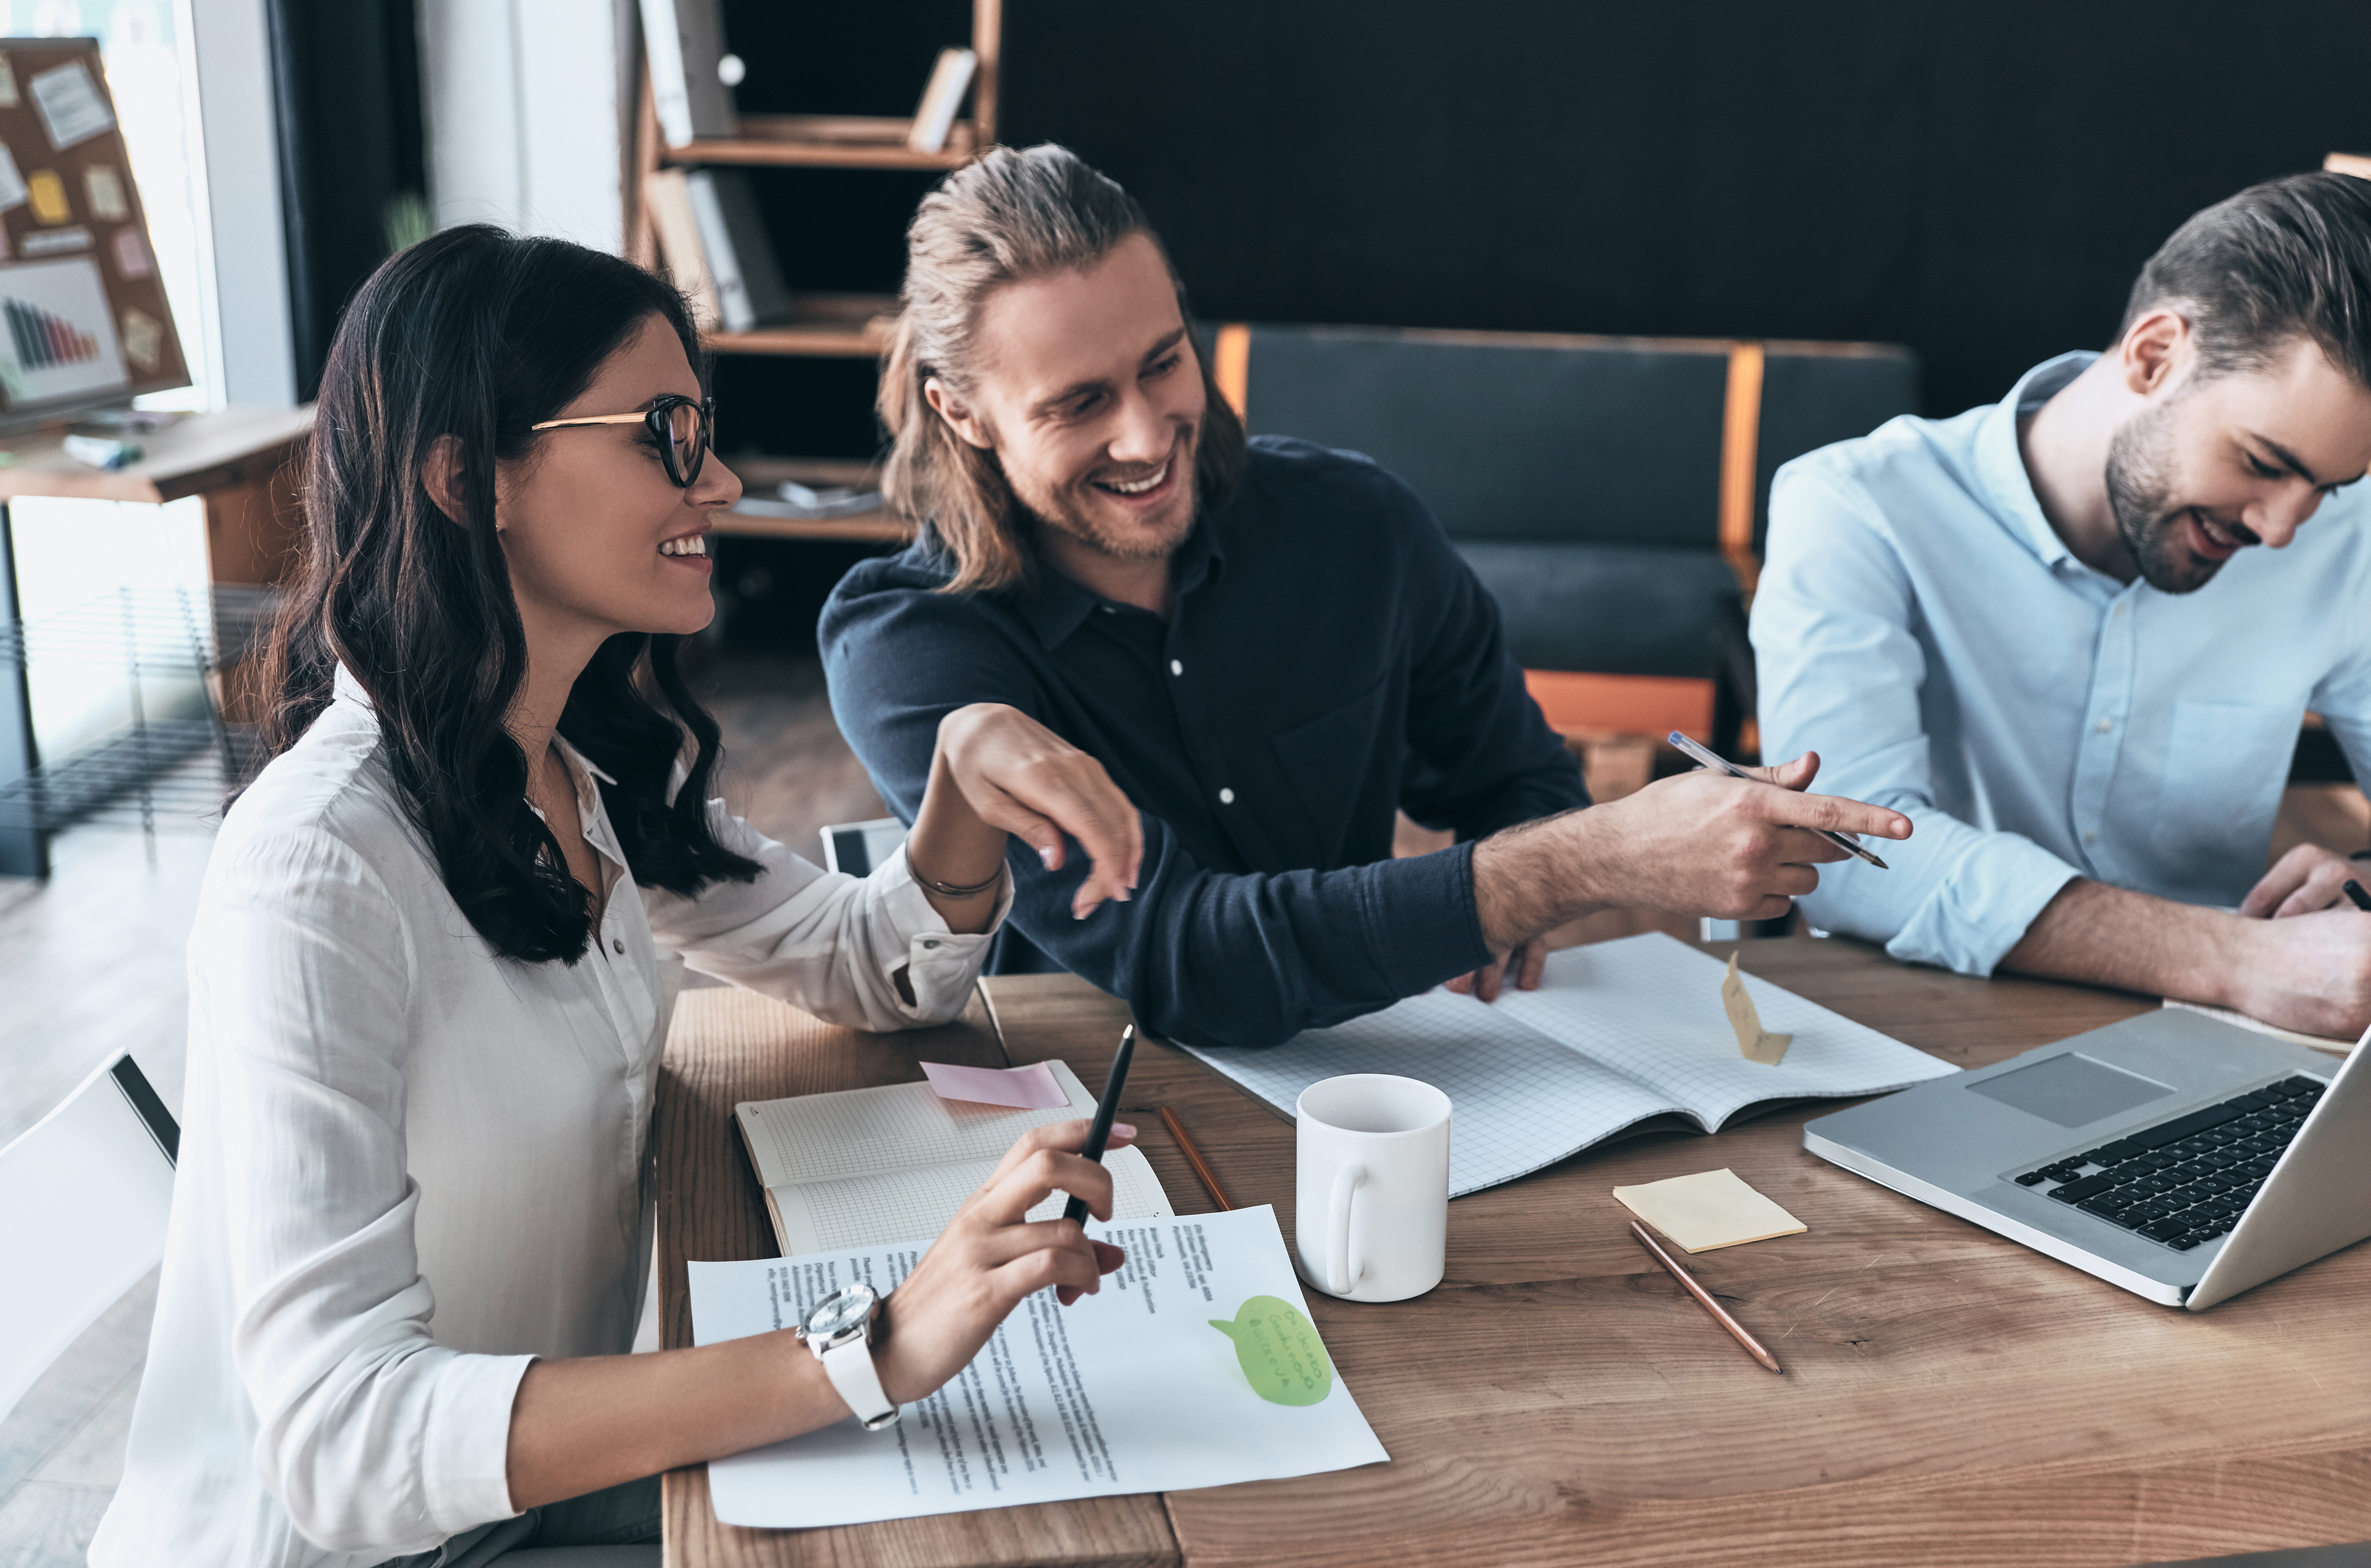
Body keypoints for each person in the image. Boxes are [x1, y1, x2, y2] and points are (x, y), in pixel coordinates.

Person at [91, 225, 1153, 1568]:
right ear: (470, 479)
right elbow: (344, 1442)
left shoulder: (573, 778)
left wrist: (958, 769)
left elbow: (884, 972)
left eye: (704, 427)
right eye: (663, 431)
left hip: (518, 1503)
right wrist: (869, 1343)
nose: (717, 476)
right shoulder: (318, 864)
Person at [821, 144, 1908, 1051]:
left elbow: (1514, 775)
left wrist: (1529, 856)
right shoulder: (911, 646)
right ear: (962, 415)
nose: (1149, 436)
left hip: (1384, 1075)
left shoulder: (1359, 526)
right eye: (1079, 404)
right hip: (1082, 1118)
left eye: (1164, 363)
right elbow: (1185, 959)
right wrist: (1583, 863)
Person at [1752, 171, 2371, 1039]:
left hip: (2217, 1049)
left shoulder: (2344, 542)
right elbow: (1848, 852)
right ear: (2155, 355)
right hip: (1907, 1031)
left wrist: (2363, 882)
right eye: (2264, 464)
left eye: (2330, 487)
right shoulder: (1857, 505)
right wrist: (2234, 959)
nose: (2282, 529)